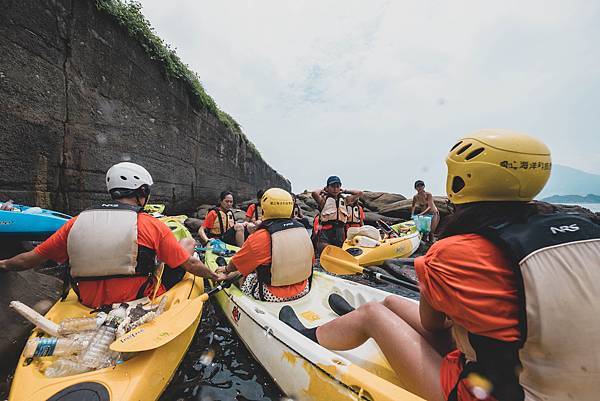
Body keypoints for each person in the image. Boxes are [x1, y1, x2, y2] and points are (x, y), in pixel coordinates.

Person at [281, 130, 600, 401]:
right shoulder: (587, 231)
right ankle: (349, 321)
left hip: (496, 391)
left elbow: (434, 325)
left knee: (375, 313)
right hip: (560, 374)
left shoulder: (453, 252)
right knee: (390, 299)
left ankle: (316, 334)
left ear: (461, 181)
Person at [0, 162, 226, 308]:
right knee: (187, 244)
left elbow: (28, 260)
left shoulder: (75, 223)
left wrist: (4, 264)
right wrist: (215, 276)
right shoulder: (149, 224)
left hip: (87, 300)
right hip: (135, 299)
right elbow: (192, 265)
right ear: (143, 192)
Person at [217, 188, 314, 302]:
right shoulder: (303, 231)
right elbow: (311, 260)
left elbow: (236, 264)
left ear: (264, 208)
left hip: (272, 294)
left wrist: (226, 269)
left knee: (244, 272)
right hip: (304, 288)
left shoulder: (260, 237)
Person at [311, 176, 363, 255]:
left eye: (337, 186)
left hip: (340, 231)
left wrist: (345, 191)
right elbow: (314, 193)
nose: (335, 189)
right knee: (324, 253)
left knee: (338, 253)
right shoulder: (323, 200)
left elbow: (360, 193)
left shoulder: (345, 200)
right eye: (332, 186)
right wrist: (323, 189)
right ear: (328, 187)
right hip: (326, 232)